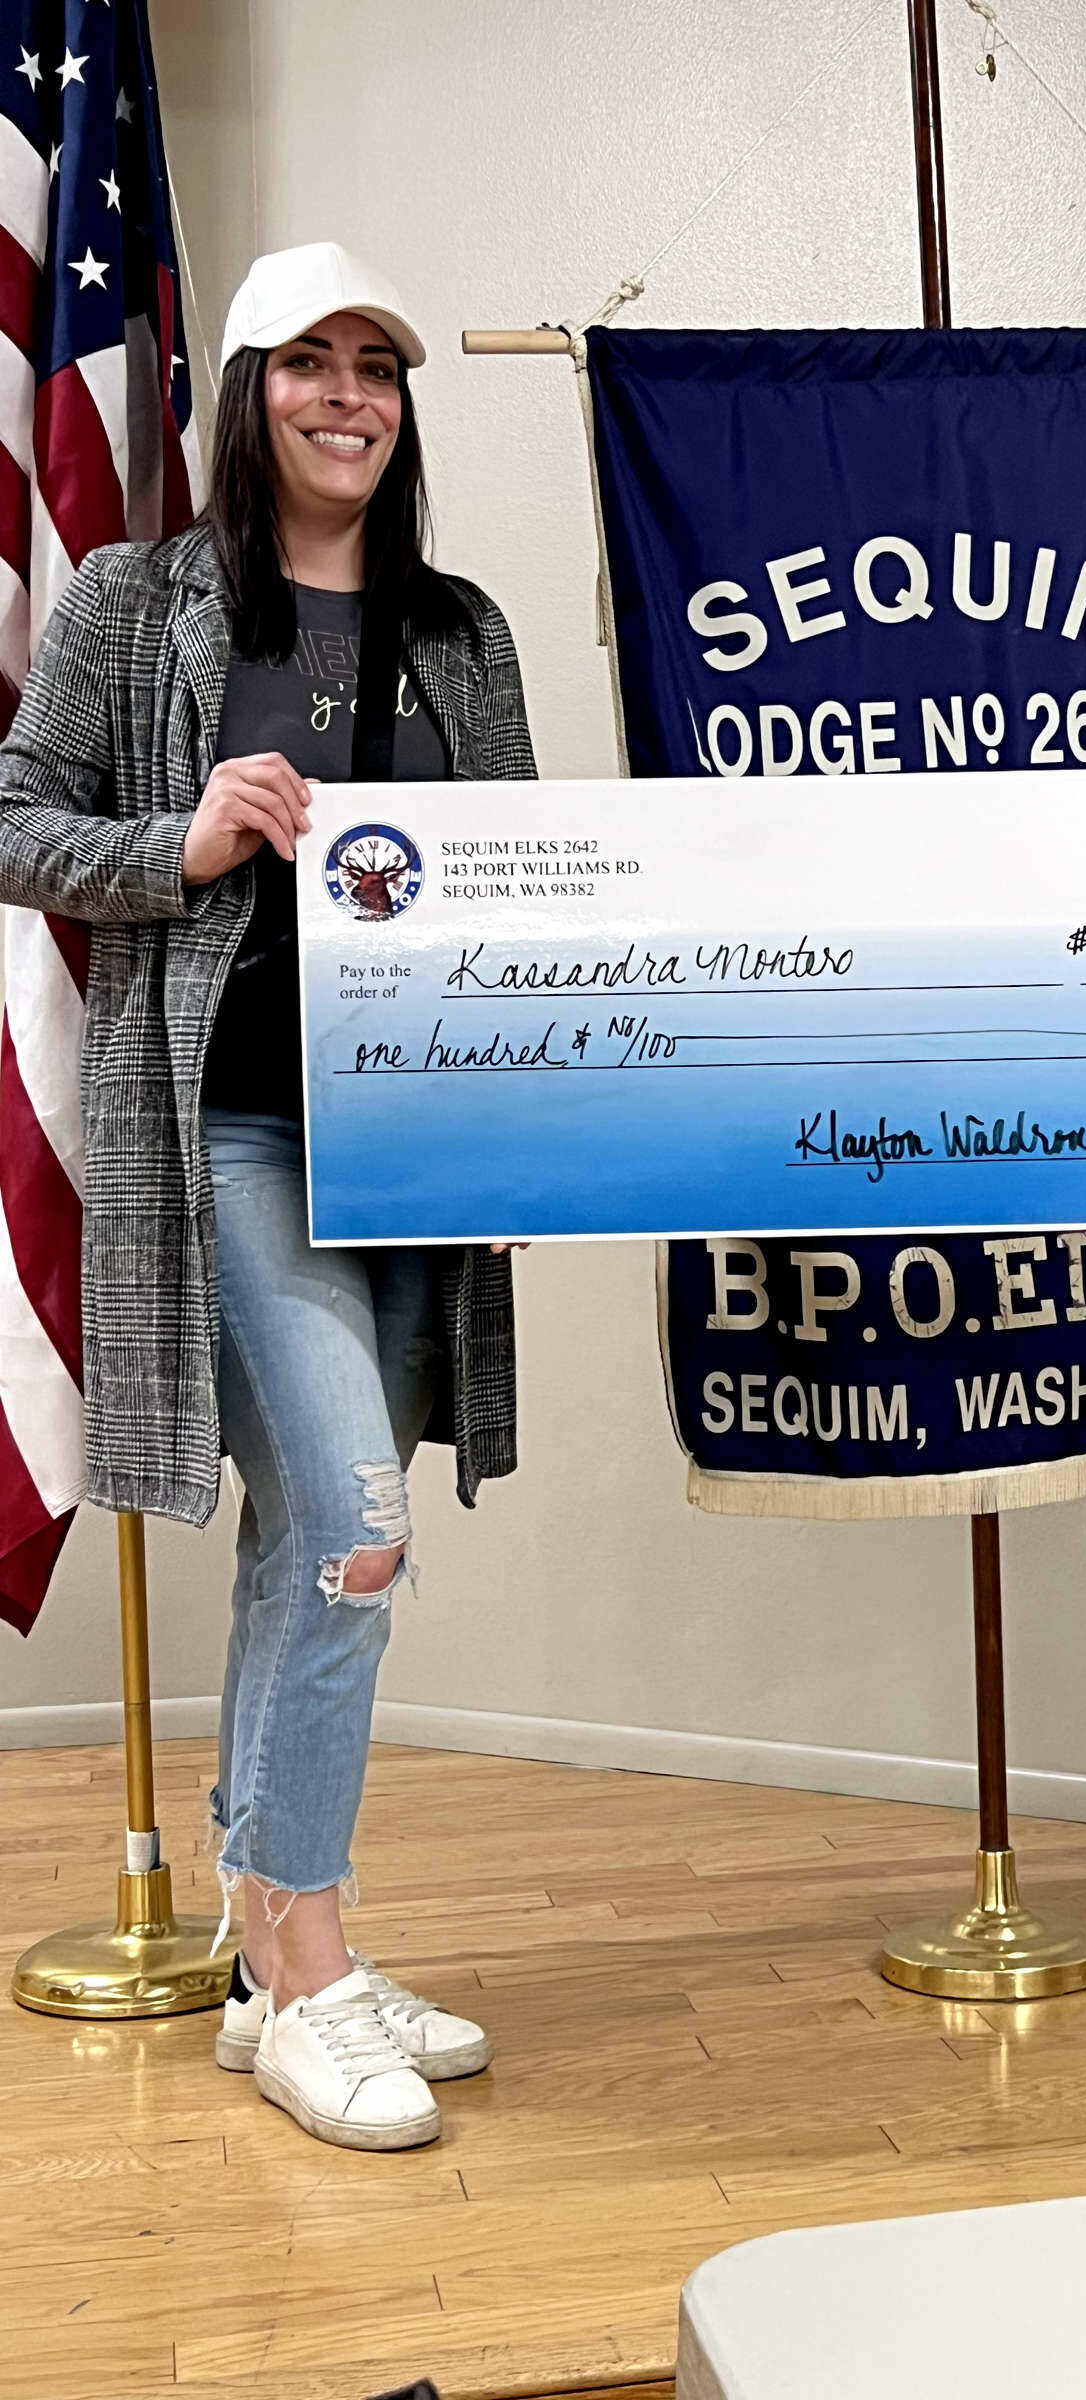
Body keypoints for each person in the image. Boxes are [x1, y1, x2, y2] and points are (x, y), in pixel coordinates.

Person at [0, 243, 536, 2151]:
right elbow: (11, 815)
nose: (349, 398)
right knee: (357, 1529)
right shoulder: (144, 606)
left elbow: (525, 888)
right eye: (310, 363)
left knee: (302, 1532)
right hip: (222, 1139)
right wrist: (187, 836)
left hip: (408, 1152)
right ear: (246, 391)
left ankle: (266, 1939)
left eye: (378, 367)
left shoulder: (458, 630)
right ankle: (309, 1975)